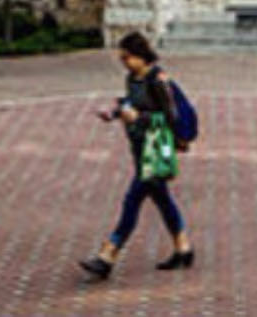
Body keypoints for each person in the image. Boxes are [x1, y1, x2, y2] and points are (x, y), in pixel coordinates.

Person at [78, 30, 193, 278]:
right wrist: (116, 111)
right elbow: (132, 102)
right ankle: (183, 247)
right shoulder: (132, 78)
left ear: (142, 56)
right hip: (140, 147)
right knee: (162, 199)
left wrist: (139, 117)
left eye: (128, 58)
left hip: (156, 149)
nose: (125, 63)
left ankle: (107, 255)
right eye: (123, 59)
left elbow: (170, 117)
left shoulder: (158, 80)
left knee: (132, 200)